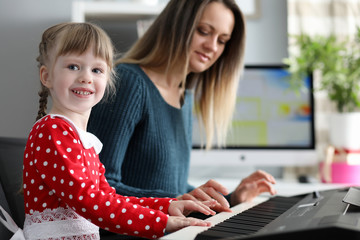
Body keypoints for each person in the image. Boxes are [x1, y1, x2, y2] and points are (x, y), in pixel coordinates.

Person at [22, 22, 218, 240]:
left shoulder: (83, 140)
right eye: (73, 67)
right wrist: (160, 223)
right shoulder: (52, 130)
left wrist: (168, 205)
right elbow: (89, 200)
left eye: (97, 70)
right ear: (46, 76)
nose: (86, 77)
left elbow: (110, 198)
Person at [88, 0, 277, 215]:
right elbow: (99, 189)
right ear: (176, 25)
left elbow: (173, 192)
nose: (212, 47)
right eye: (204, 31)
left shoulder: (182, 96)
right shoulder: (129, 83)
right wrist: (174, 201)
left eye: (222, 40)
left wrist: (232, 198)